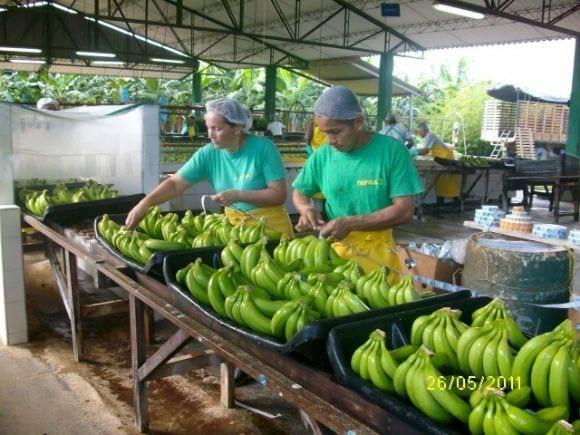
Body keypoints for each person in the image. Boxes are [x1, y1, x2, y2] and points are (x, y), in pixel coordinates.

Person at [292, 86, 423, 279]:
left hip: (380, 255)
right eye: (324, 132)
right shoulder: (321, 157)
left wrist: (352, 223)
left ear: (358, 122)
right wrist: (305, 209)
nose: (330, 140)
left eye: (336, 132)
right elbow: (300, 191)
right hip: (335, 253)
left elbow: (404, 211)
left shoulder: (392, 152)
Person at [126, 98, 294, 236]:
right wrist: (146, 203)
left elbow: (278, 195)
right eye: (208, 128)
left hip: (272, 230)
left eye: (217, 129)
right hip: (235, 229)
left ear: (237, 128)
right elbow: (175, 183)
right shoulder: (208, 154)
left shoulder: (264, 148)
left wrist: (238, 194)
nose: (210, 135)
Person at [416, 122, 461, 207]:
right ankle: (440, 203)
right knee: (441, 182)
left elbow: (425, 150)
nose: (419, 134)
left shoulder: (429, 136)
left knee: (447, 182)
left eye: (420, 131)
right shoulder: (429, 136)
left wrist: (413, 152)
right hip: (441, 160)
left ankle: (456, 203)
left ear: (424, 130)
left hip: (445, 159)